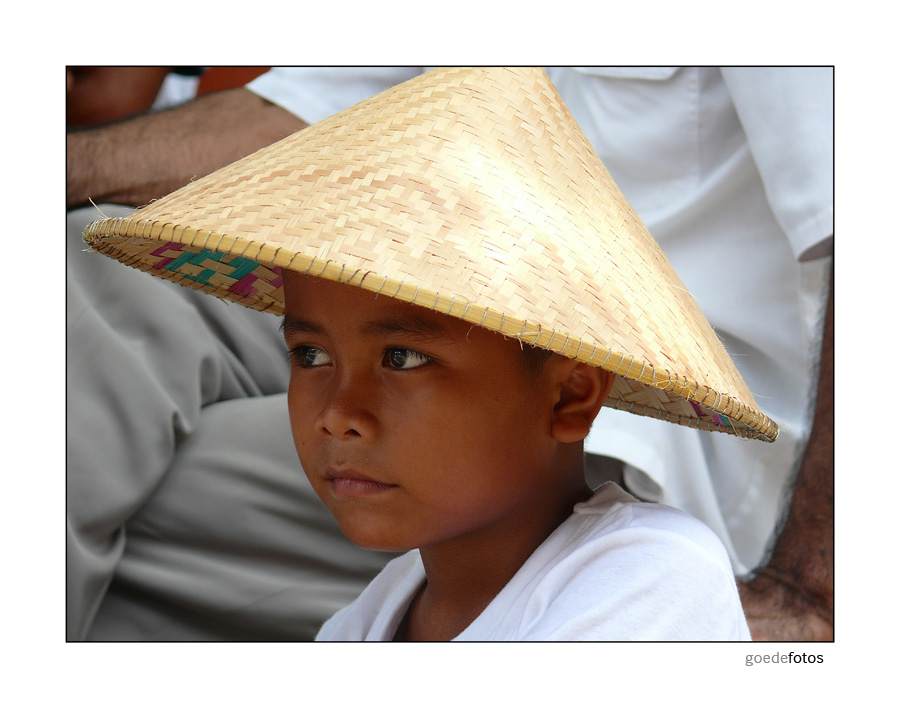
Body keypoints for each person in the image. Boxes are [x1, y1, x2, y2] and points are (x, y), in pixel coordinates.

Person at [66, 66, 833, 641]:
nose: (336, 416)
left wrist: (816, 596)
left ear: (572, 398)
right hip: (446, 328)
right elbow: (303, 106)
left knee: (146, 501)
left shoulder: (656, 587)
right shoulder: (363, 625)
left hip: (679, 461)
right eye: (305, 356)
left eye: (400, 361)